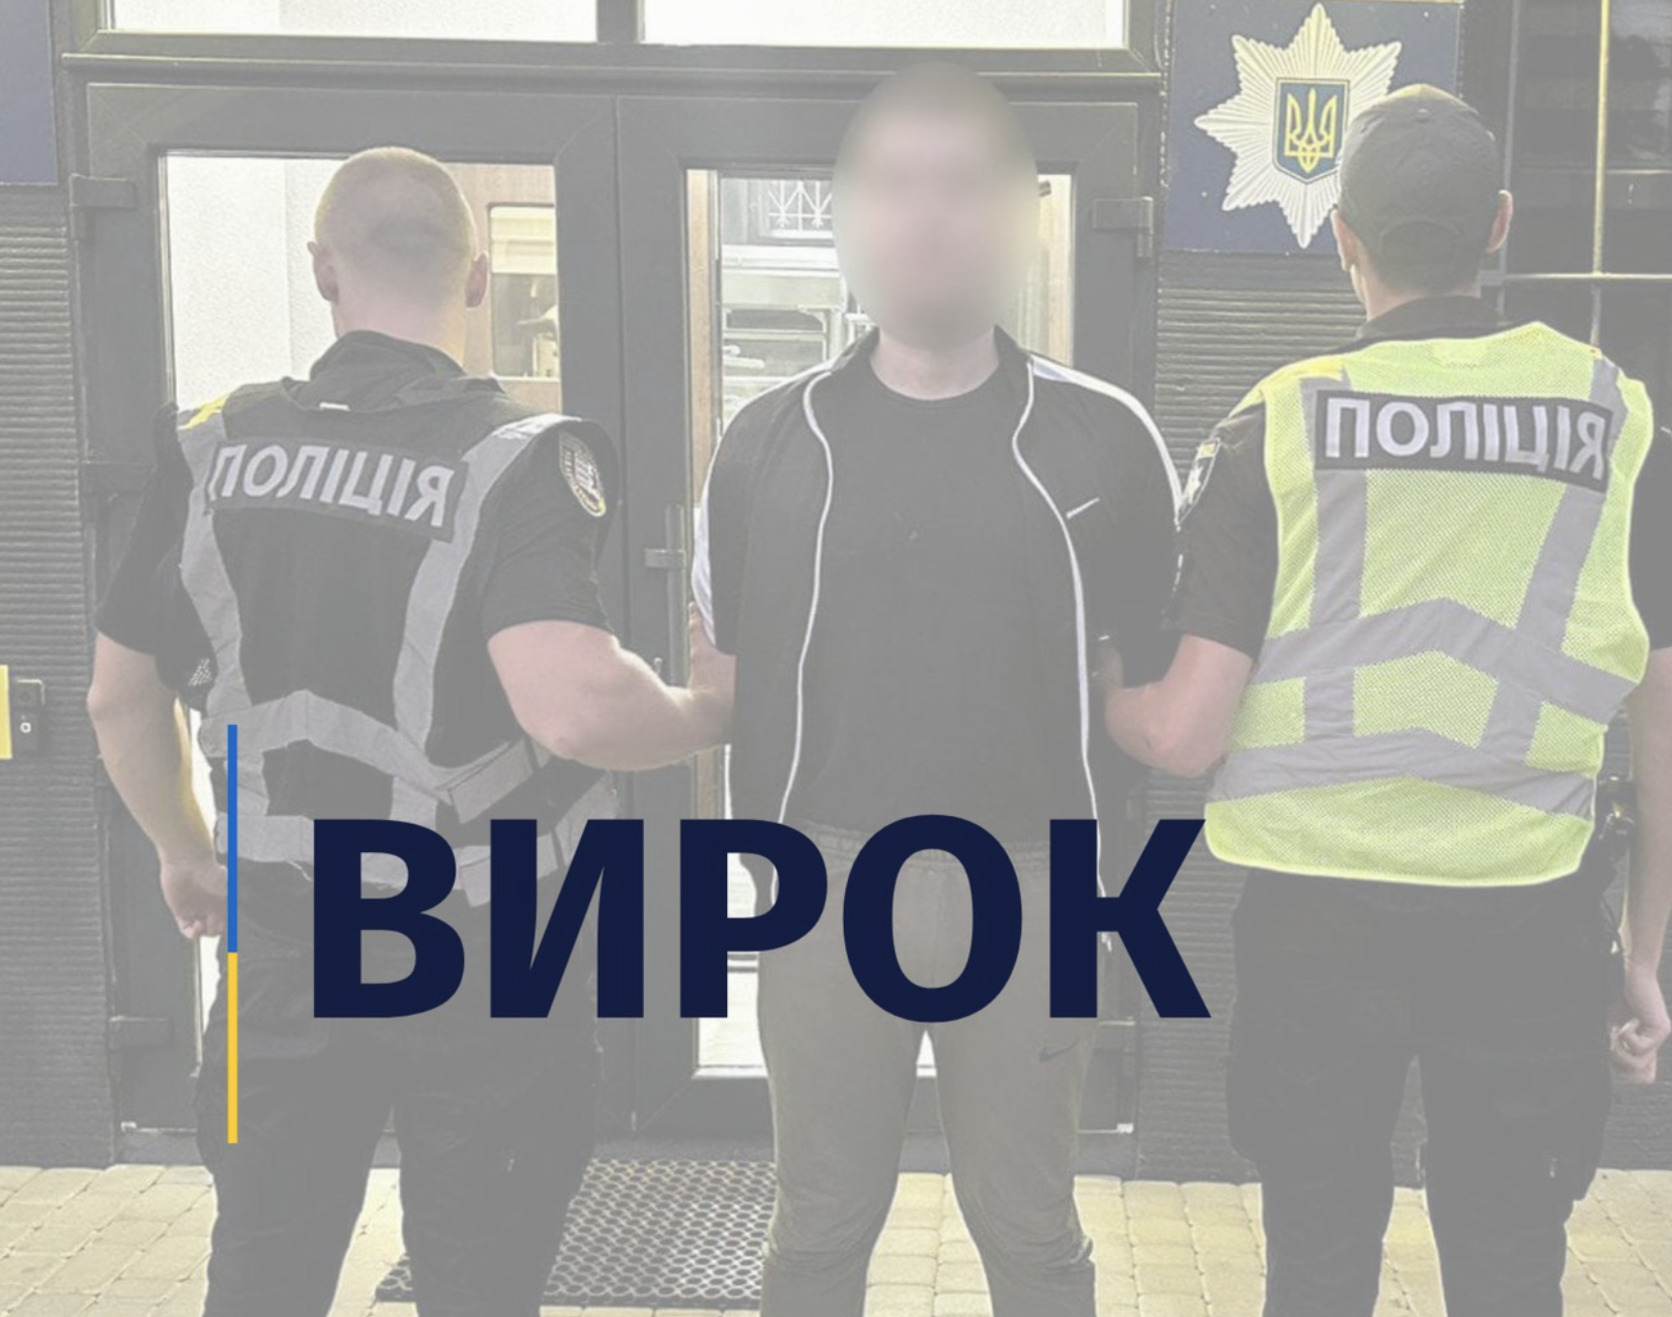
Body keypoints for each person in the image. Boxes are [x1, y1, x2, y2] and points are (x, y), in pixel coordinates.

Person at [86, 146, 731, 1317]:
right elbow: (573, 704)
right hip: (484, 955)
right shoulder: (519, 459)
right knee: (481, 1276)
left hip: (279, 947)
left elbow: (116, 699)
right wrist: (704, 712)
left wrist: (185, 854)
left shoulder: (210, 448)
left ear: (323, 268)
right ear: (476, 277)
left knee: (263, 1268)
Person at [1100, 86, 1672, 1317]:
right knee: (1510, 1262)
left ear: (1343, 237)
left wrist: (1104, 680)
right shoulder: (1612, 418)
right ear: (1499, 225)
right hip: (1528, 919)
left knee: (1319, 1262)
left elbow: (1185, 733)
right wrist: (1640, 959)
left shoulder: (1277, 426)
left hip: (1316, 926)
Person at [692, 64, 1179, 1317]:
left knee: (1031, 1228)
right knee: (817, 1226)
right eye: (895, 184)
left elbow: (1149, 683)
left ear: (1021, 216)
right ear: (847, 215)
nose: (927, 215)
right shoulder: (766, 443)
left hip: (1036, 883)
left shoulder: (1105, 438)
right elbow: (724, 682)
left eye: (963, 185)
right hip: (821, 882)